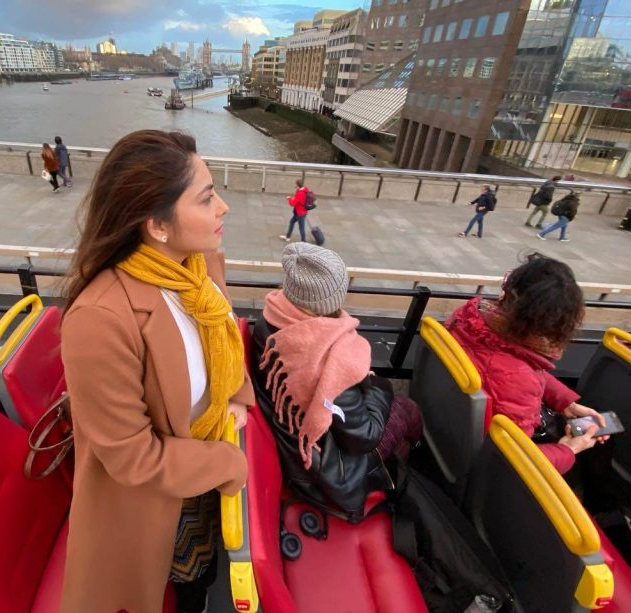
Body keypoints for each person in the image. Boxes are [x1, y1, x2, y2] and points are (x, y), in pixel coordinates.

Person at [58, 129, 253, 613]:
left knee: (206, 572)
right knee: (185, 583)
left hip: (204, 457)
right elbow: (134, 459)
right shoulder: (101, 319)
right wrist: (229, 462)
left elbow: (224, 340)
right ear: (157, 226)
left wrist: (235, 397)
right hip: (155, 498)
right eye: (207, 198)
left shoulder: (198, 263)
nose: (223, 207)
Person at [251, 243, 422, 522]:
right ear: (332, 299)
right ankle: (395, 475)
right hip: (327, 472)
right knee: (408, 410)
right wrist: (381, 388)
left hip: (291, 441)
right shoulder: (330, 361)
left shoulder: (270, 320)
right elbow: (364, 436)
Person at [445, 254, 607, 474]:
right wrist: (569, 448)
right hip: (487, 471)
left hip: (451, 436)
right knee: (596, 453)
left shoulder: (470, 319)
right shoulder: (519, 378)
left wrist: (566, 402)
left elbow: (507, 369)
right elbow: (511, 461)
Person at [279, 178, 309, 242]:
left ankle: (304, 242)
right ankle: (288, 237)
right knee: (292, 222)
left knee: (301, 228)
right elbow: (298, 201)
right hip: (299, 212)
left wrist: (289, 199)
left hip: (300, 213)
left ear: (297, 185)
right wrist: (293, 198)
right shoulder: (304, 190)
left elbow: (292, 204)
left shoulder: (300, 193)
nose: (294, 185)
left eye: (295, 184)